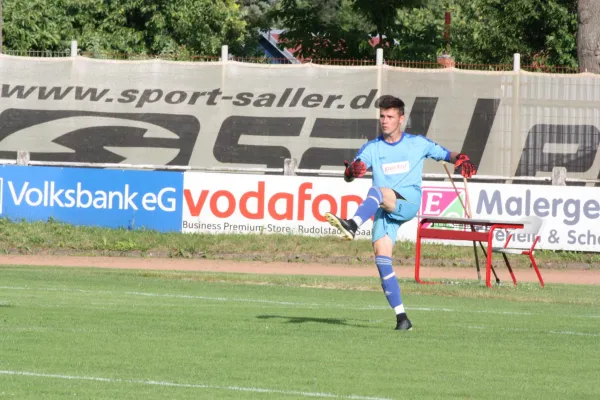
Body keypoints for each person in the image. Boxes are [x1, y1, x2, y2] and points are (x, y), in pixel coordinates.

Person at [324, 95, 476, 331]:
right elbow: (350, 174)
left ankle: (353, 224)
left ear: (401, 119)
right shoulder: (372, 147)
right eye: (382, 116)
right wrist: (351, 171)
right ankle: (402, 318)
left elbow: (447, 155)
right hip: (384, 208)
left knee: (377, 191)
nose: (385, 121)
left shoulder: (417, 143)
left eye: (390, 116)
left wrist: (462, 159)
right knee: (382, 259)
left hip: (407, 201)